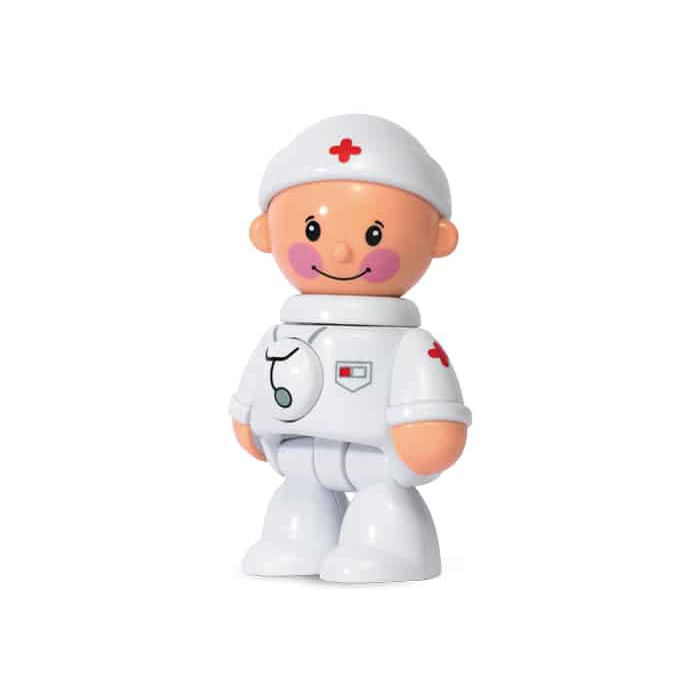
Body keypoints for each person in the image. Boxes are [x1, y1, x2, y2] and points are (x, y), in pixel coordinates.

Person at [230, 114, 472, 582]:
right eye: (313, 232)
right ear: (265, 232)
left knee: (383, 500)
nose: (340, 253)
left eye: (372, 237)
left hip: (381, 465)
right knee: (299, 498)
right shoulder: (280, 336)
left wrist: (430, 428)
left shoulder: (408, 344)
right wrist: (247, 418)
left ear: (438, 239)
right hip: (299, 457)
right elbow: (257, 385)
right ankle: (297, 539)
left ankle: (390, 548)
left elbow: (431, 400)